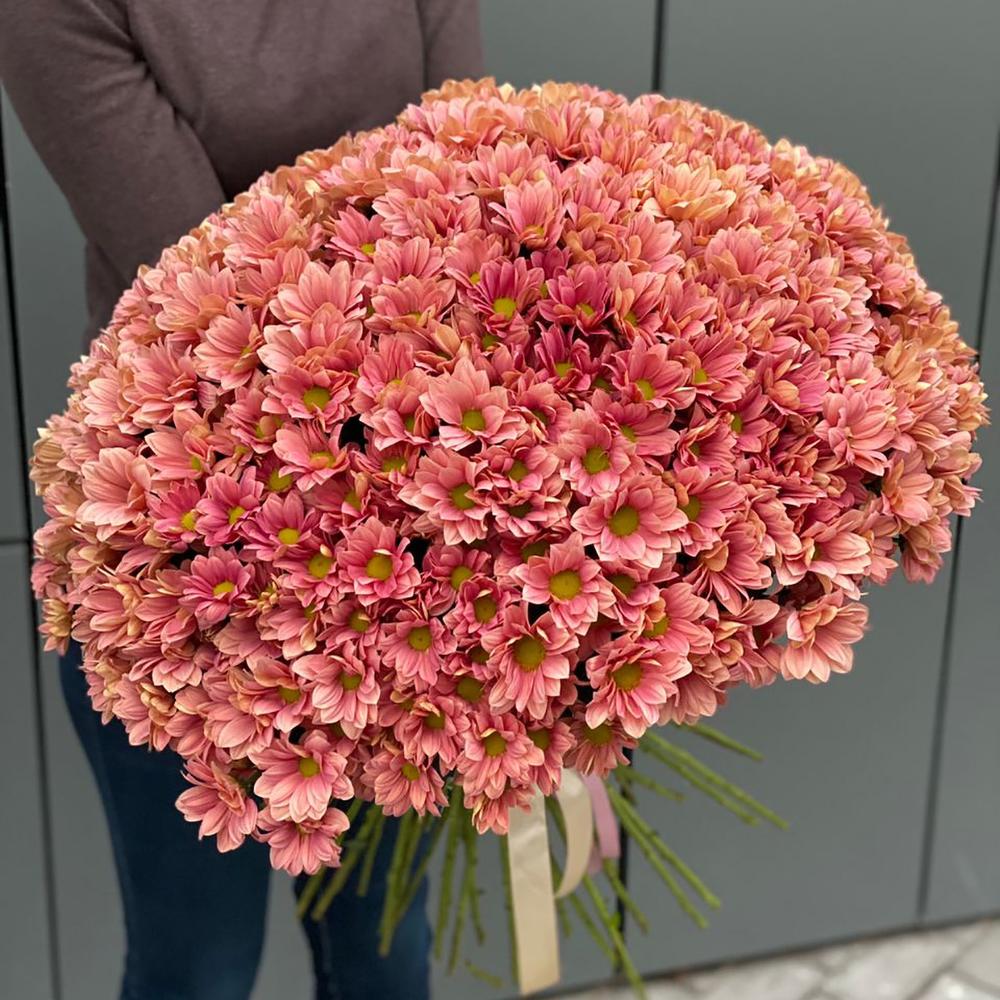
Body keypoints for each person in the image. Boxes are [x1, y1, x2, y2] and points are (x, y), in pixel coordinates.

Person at [0, 3, 483, 998]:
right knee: (200, 967)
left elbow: (466, 187)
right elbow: (223, 302)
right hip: (177, 562)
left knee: (386, 953)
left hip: (409, 536)